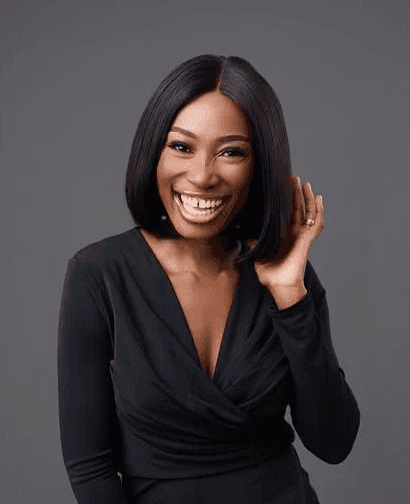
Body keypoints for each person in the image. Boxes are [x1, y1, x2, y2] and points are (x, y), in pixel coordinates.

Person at [58, 54, 360, 504]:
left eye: (231, 152)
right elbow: (90, 468)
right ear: (153, 152)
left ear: (259, 164)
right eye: (181, 147)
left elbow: (334, 443)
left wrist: (290, 296)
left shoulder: (285, 275)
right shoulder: (98, 274)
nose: (201, 176)